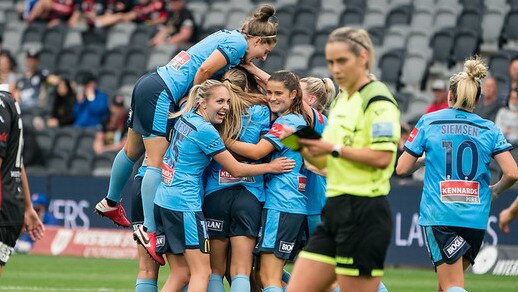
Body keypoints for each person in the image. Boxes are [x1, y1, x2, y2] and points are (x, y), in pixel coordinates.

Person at [95, 3, 278, 263]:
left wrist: (249, 66)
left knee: (131, 150)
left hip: (149, 83)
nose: (264, 56)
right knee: (155, 162)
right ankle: (149, 230)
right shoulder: (237, 43)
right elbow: (203, 71)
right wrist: (193, 103)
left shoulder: (229, 36)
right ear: (257, 40)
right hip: (163, 93)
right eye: (265, 50)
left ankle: (111, 202)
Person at [286, 27, 399, 292]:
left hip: (364, 213)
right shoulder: (341, 102)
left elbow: (384, 158)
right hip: (335, 212)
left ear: (363, 57)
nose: (335, 69)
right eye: (330, 62)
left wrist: (332, 147)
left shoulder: (378, 100)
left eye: (342, 61)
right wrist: (301, 145)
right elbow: (328, 162)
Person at [154, 80, 294, 289]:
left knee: (181, 274)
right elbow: (236, 169)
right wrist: (270, 167)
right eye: (220, 101)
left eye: (228, 102)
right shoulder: (206, 130)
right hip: (185, 204)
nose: (226, 107)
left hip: (164, 200)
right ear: (202, 103)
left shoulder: (186, 118)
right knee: (203, 272)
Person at [396, 57, 518, 292]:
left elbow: (401, 168)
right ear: (477, 99)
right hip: (475, 218)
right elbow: (512, 173)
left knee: (452, 285)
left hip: (441, 216)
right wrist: (495, 191)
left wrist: (423, 161)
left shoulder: (430, 121)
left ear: (450, 96)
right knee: (447, 285)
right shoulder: (489, 128)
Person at [225, 71, 312, 291]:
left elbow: (256, 152)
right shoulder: (294, 122)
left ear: (293, 94)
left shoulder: (288, 123)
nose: (271, 98)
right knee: (266, 272)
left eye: (278, 93)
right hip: (288, 203)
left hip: (282, 203)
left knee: (267, 275)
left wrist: (222, 139)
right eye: (269, 92)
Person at [202, 68, 270, 292]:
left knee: (215, 271)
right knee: (241, 269)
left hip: (215, 194)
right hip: (249, 195)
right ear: (248, 87)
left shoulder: (216, 111)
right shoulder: (260, 111)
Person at [0, 85, 44, 277]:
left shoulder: (1, 104)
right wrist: (27, 207)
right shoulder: (8, 102)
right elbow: (17, 161)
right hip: (10, 204)